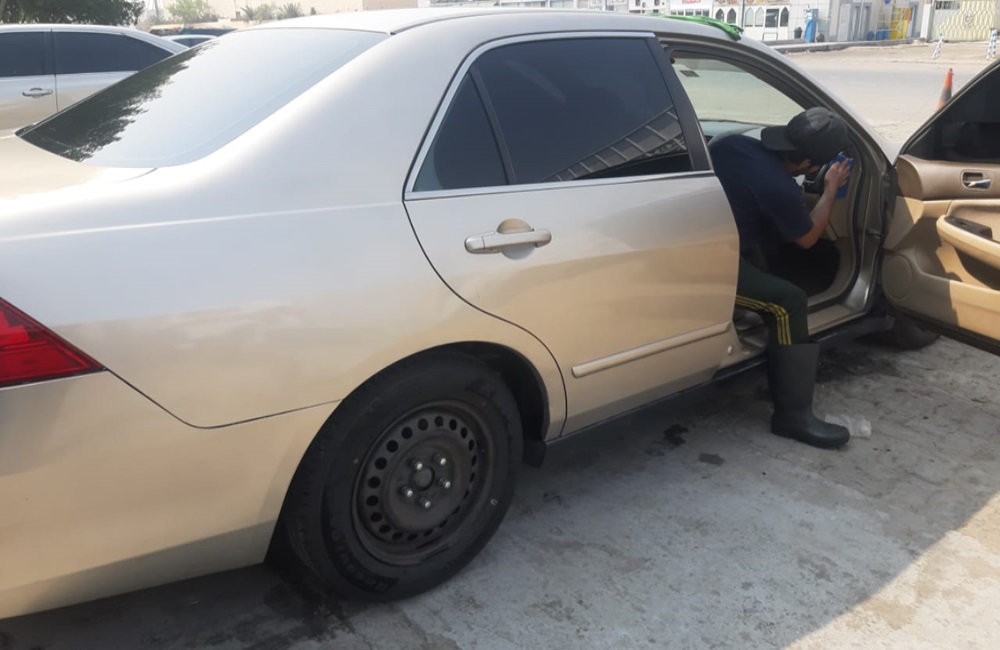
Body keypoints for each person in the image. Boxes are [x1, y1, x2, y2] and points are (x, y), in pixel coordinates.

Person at [708, 107, 853, 449]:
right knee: (790, 302)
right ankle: (793, 416)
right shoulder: (779, 189)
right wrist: (830, 189)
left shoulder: (732, 144)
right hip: (709, 266)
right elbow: (807, 239)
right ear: (808, 165)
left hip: (702, 237)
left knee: (764, 253)